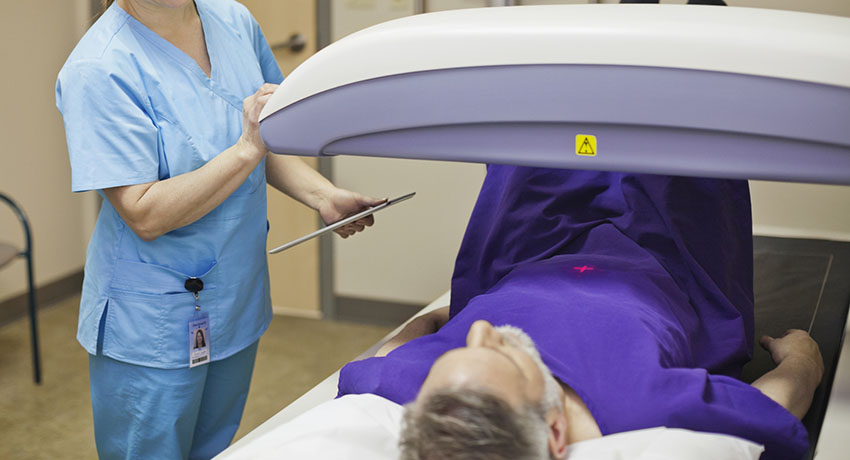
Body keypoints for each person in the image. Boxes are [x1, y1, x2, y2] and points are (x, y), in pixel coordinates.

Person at [55, 0, 382, 458]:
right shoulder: (99, 68)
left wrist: (323, 195)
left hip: (235, 291)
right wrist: (246, 149)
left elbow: (265, 134)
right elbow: (144, 212)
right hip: (153, 317)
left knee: (214, 447)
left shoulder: (232, 20)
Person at [337, 166, 824, 460]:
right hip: (659, 254)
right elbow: (779, 402)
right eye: (504, 357)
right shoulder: (644, 406)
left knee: (549, 124)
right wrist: (802, 356)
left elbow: (395, 349)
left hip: (526, 253)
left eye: (468, 344)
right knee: (675, 133)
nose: (483, 330)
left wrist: (441, 321)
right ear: (554, 431)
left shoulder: (435, 397)